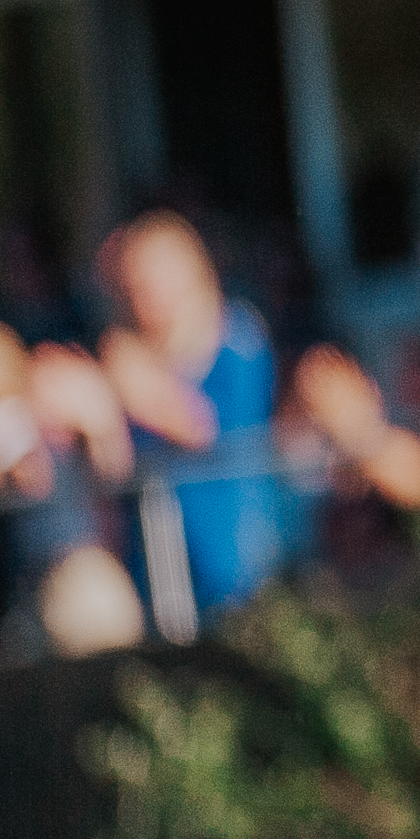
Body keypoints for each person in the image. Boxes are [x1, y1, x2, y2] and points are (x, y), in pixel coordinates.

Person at [97, 211, 289, 619]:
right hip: (165, 585)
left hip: (243, 574)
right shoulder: (132, 360)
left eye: (151, 281)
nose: (142, 297)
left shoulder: (238, 339)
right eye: (132, 286)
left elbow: (197, 425)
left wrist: (130, 380)